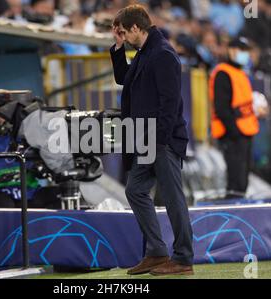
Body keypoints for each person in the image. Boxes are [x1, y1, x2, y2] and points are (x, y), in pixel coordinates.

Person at [110, 4, 194, 276]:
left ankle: (183, 258)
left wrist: (158, 141)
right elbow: (125, 78)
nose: (122, 35)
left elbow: (170, 104)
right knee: (135, 190)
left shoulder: (162, 54)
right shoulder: (146, 52)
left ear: (136, 28)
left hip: (162, 140)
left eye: (124, 31)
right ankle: (157, 252)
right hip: (146, 140)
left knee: (172, 198)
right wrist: (118, 48)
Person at [209, 36, 260, 197]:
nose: (244, 54)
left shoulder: (239, 73)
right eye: (241, 50)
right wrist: (235, 132)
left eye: (246, 51)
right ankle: (232, 218)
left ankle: (238, 216)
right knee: (236, 182)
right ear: (230, 50)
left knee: (242, 180)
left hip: (245, 132)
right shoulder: (223, 73)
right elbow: (222, 108)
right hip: (233, 134)